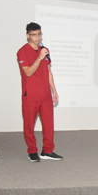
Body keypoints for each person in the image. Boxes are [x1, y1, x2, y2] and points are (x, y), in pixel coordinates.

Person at [17, 23, 62, 162]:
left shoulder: (45, 49)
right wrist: (39, 58)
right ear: (27, 35)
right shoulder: (22, 52)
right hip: (30, 95)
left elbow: (48, 71)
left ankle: (47, 151)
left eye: (39, 34)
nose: (37, 37)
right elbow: (28, 72)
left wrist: (54, 90)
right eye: (34, 35)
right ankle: (32, 151)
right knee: (29, 125)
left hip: (45, 95)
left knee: (49, 124)